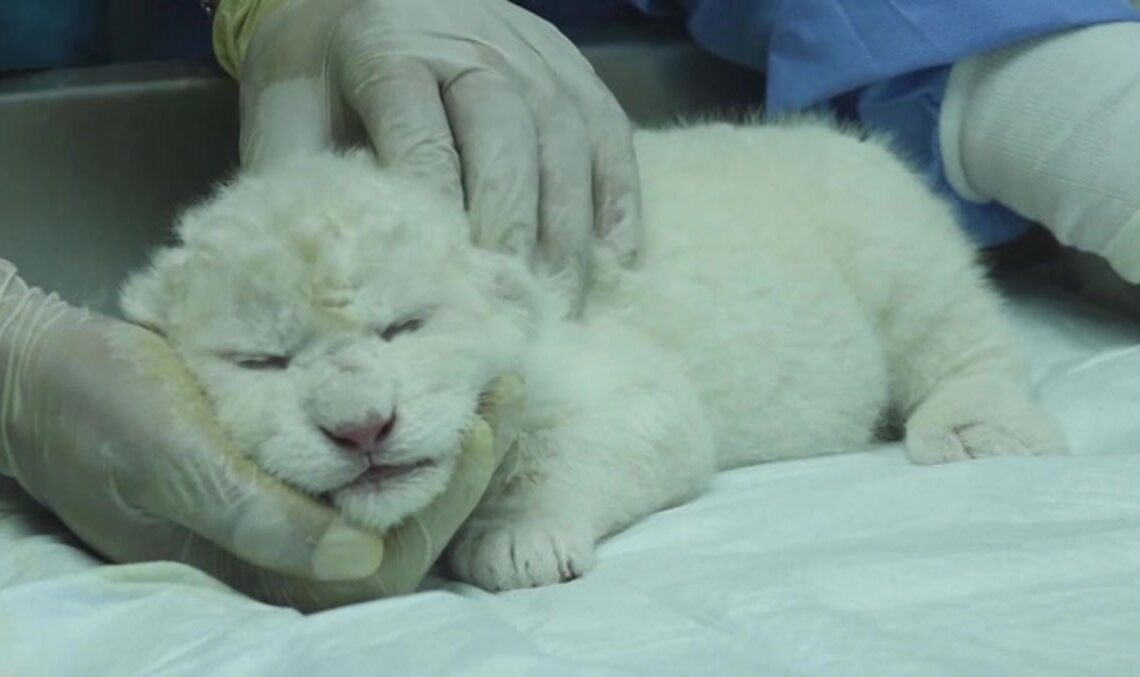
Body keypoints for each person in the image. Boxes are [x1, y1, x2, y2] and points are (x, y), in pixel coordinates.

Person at [4, 0, 1140, 608]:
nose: (358, 409)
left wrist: (1048, 89)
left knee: (859, 189)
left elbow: (656, 417)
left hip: (760, 145)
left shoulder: (511, 312)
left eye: (402, 330)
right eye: (256, 362)